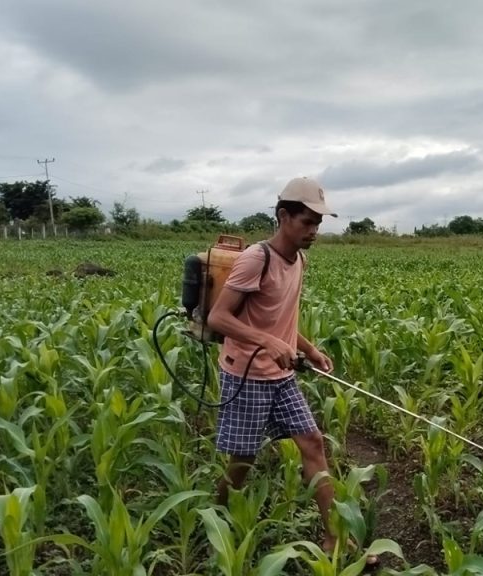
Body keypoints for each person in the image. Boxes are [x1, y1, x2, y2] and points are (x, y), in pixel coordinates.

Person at [207, 176, 377, 566]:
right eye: (307, 222)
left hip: (281, 375)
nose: (314, 231)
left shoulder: (300, 259)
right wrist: (266, 342)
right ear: (283, 216)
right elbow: (218, 317)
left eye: (318, 223)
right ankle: (213, 516)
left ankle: (335, 539)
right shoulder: (256, 258)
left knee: (313, 443)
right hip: (246, 374)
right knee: (242, 462)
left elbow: (280, 318)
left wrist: (310, 349)